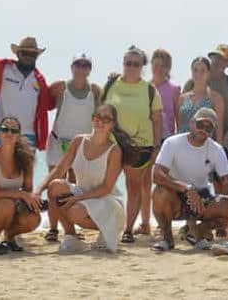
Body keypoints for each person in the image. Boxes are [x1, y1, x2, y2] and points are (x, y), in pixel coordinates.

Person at [36, 103, 130, 253]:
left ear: (112, 124)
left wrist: (77, 199)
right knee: (55, 186)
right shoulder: (78, 141)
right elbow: (59, 169)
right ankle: (71, 237)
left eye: (106, 119)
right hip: (82, 195)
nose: (100, 121)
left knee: (75, 210)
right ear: (92, 119)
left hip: (107, 201)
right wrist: (38, 190)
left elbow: (106, 188)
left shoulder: (115, 151)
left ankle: (107, 231)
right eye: (98, 117)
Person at [151, 108, 228, 251]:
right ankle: (167, 239)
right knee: (159, 192)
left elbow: (227, 181)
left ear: (212, 131)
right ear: (191, 123)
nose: (203, 130)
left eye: (208, 127)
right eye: (200, 124)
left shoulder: (217, 149)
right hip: (175, 196)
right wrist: (186, 188)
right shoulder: (172, 143)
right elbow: (157, 175)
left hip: (202, 198)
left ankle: (196, 233)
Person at [101, 45, 163, 244]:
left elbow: (157, 119)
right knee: (106, 186)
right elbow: (101, 113)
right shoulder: (111, 84)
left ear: (142, 66)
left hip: (140, 146)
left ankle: (128, 229)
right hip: (112, 144)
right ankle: (106, 226)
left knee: (133, 187)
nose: (131, 67)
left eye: (136, 64)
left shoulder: (149, 89)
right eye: (128, 63)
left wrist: (156, 148)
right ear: (123, 64)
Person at [43, 53, 101, 242]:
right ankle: (52, 229)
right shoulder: (60, 87)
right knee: (54, 185)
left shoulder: (95, 91)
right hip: (58, 143)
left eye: (86, 65)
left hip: (80, 146)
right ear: (72, 67)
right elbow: (43, 102)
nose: (81, 68)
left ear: (90, 69)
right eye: (78, 64)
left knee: (74, 187)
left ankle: (72, 227)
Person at [0, 116, 41, 254]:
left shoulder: (26, 159)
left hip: (13, 206)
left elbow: (28, 190)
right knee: (6, 204)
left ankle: (9, 237)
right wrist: (20, 194)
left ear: (19, 135)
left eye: (14, 130)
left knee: (34, 218)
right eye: (5, 129)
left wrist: (32, 201)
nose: (9, 133)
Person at [135, 48, 182, 237]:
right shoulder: (143, 87)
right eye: (156, 64)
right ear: (151, 66)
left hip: (167, 141)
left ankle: (165, 223)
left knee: (165, 184)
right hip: (146, 139)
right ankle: (145, 223)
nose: (159, 68)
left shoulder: (174, 89)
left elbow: (178, 119)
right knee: (144, 183)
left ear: (168, 68)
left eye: (163, 65)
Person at [184, 44, 228, 182]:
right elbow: (184, 111)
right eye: (216, 57)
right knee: (199, 181)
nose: (218, 61)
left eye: (223, 59)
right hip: (199, 138)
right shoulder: (192, 82)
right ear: (211, 58)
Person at [177, 57, 225, 140]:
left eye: (203, 70)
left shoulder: (216, 99)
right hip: (183, 146)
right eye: (195, 70)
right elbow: (178, 126)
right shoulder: (182, 98)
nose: (198, 74)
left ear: (208, 73)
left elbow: (219, 129)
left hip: (205, 146)